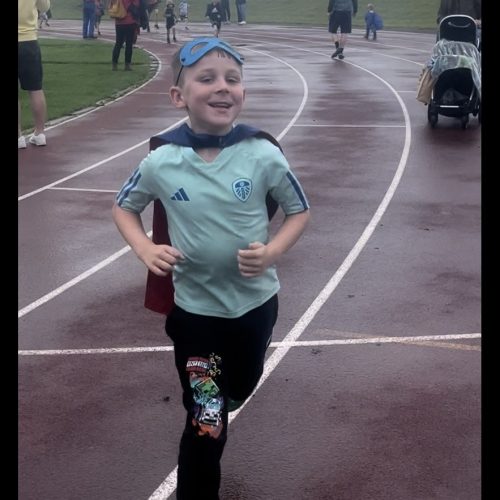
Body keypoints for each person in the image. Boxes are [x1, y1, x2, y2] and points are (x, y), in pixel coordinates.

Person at [111, 37, 310, 499]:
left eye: (233, 79)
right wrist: (144, 249)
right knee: (206, 421)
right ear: (179, 97)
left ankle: (230, 394)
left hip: (255, 306)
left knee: (240, 383)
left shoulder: (262, 153)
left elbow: (299, 211)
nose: (223, 88)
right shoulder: (161, 160)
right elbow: (124, 208)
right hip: (196, 316)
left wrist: (273, 251)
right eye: (207, 78)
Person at [18, 0, 50, 149]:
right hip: (29, 40)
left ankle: (19, 137)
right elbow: (45, 6)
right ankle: (40, 133)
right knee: (36, 89)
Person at [111, 0, 140, 70]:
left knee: (118, 43)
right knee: (129, 44)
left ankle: (114, 65)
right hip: (129, 21)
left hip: (119, 21)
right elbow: (137, 4)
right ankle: (127, 65)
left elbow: (113, 4)